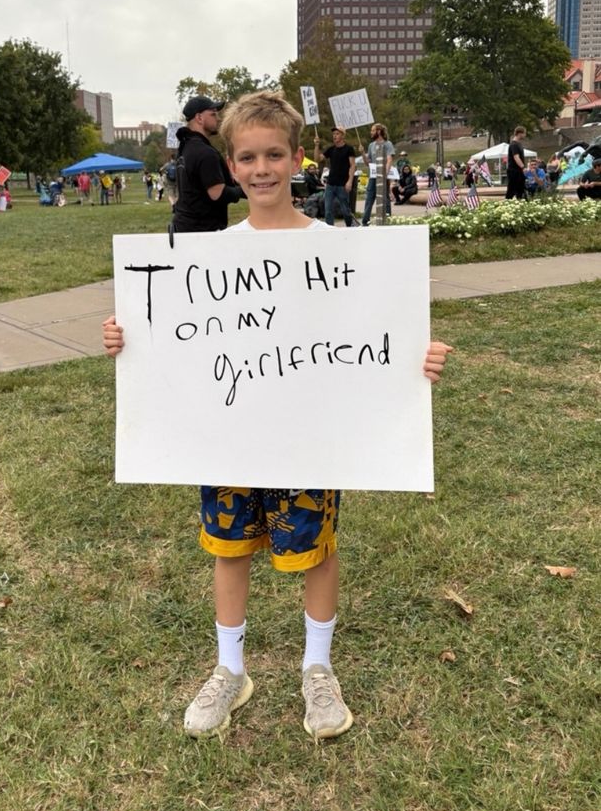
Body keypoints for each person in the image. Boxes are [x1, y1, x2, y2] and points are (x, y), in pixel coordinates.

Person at [102, 90, 453, 742]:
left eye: (274, 154)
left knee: (314, 550)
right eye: (246, 157)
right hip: (229, 438)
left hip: (309, 439)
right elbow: (173, 340)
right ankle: (230, 670)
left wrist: (417, 359)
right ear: (229, 167)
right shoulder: (209, 257)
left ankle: (317, 668)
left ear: (297, 158)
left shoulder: (337, 250)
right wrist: (130, 343)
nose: (261, 168)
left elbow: (372, 337)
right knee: (230, 548)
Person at [172, 96, 245, 232]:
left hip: (184, 227)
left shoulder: (185, 148)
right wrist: (246, 190)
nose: (217, 118)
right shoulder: (205, 153)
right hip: (202, 231)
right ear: (199, 118)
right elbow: (217, 193)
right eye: (213, 114)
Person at [321, 126, 357, 227]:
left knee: (345, 211)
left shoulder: (349, 149)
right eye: (333, 134)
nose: (334, 136)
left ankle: (350, 227)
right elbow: (318, 158)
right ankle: (330, 230)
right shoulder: (331, 149)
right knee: (328, 210)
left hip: (343, 185)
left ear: (342, 135)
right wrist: (316, 145)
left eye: (337, 134)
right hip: (330, 184)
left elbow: (352, 166)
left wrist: (350, 181)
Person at [505, 126, 528, 200]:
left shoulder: (519, 144)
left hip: (519, 171)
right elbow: (516, 157)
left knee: (520, 189)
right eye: (524, 133)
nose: (525, 135)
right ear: (519, 133)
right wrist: (523, 167)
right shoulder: (514, 144)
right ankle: (507, 203)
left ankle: (521, 202)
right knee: (511, 189)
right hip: (514, 170)